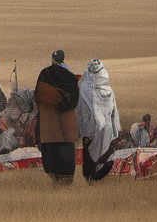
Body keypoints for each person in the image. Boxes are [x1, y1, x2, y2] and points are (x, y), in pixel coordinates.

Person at [34, 49, 79, 184]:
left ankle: (55, 180)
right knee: (66, 152)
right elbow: (75, 101)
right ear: (63, 59)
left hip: (49, 122)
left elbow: (38, 96)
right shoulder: (71, 77)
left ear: (52, 60)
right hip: (67, 122)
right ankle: (66, 181)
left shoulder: (44, 74)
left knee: (50, 153)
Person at [76, 59, 121, 183]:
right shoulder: (107, 90)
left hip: (93, 131)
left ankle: (92, 179)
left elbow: (80, 111)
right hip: (97, 131)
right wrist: (116, 131)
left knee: (96, 157)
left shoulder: (85, 89)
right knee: (96, 157)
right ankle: (92, 179)